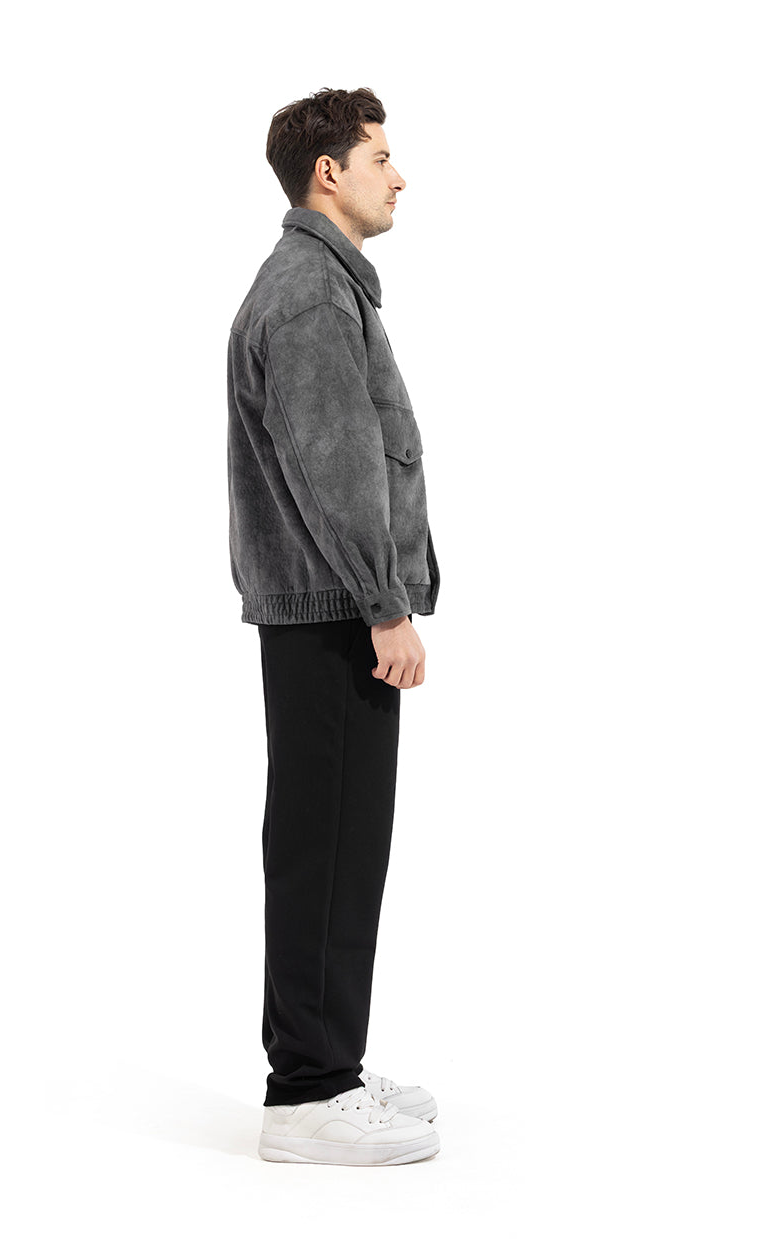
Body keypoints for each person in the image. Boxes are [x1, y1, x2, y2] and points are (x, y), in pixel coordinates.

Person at [226, 87, 442, 1167]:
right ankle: (306, 1093)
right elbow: (336, 469)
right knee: (327, 846)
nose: (398, 175)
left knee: (341, 844)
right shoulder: (311, 294)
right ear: (329, 172)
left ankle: (330, 1064)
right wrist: (384, 605)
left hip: (325, 609)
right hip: (333, 615)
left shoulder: (319, 285)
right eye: (380, 156)